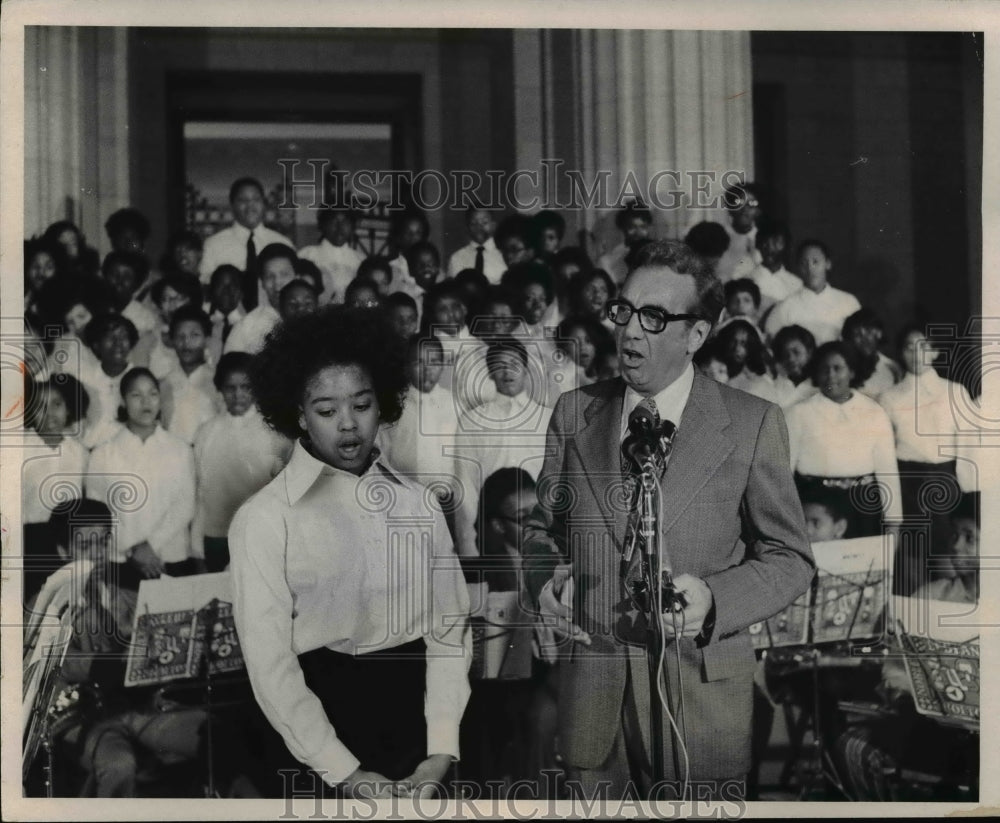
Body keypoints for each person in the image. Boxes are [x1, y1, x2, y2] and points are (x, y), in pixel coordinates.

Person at [521, 239, 814, 799]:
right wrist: (545, 581)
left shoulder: (753, 424)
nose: (630, 331)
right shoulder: (573, 413)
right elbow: (542, 533)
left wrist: (714, 600)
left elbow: (789, 559)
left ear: (696, 336)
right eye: (624, 311)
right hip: (592, 704)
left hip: (702, 706)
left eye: (654, 317)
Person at [228, 306, 471, 798]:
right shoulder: (264, 519)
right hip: (317, 741)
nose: (348, 425)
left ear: (381, 403)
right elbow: (271, 665)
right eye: (326, 410)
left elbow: (448, 633)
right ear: (297, 414)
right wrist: (346, 774)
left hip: (418, 733)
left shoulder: (420, 505)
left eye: (361, 405)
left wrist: (440, 751)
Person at [879, 324, 978, 593]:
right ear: (900, 353)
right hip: (906, 484)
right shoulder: (888, 398)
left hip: (948, 483)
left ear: (934, 352)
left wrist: (969, 493)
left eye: (922, 347)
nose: (915, 354)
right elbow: (884, 451)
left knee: (948, 557)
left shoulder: (955, 392)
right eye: (908, 348)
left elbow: (969, 447)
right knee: (911, 562)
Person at [85, 367, 197, 576]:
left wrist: (151, 546)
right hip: (121, 560)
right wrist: (130, 551)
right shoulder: (103, 454)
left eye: (152, 394)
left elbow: (185, 504)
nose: (146, 402)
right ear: (123, 401)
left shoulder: (180, 449)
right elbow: (97, 511)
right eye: (136, 395)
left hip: (171, 557)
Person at [784, 341, 902, 537]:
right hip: (813, 510)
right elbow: (783, 473)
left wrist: (894, 523)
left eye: (838, 368)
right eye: (824, 369)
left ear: (852, 372)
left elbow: (888, 473)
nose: (830, 375)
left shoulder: (874, 412)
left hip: (864, 509)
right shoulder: (797, 413)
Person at [453, 337, 554, 559]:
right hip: (493, 526)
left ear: (527, 369)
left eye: (515, 364)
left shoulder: (547, 418)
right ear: (489, 372)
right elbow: (465, 484)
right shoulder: (472, 420)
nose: (508, 372)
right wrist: (468, 543)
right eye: (499, 366)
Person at [191, 352, 291, 572]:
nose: (238, 395)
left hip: (260, 536)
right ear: (220, 389)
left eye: (246, 388)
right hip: (216, 538)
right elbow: (201, 493)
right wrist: (197, 547)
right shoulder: (206, 433)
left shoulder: (273, 433)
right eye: (230, 388)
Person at [21, 374, 91, 601]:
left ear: (69, 409)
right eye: (41, 406)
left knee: (67, 604)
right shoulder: (18, 449)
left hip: (68, 543)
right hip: (28, 542)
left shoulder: (79, 452)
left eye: (57, 404)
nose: (50, 413)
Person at [198, 177, 294, 309]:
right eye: (243, 200)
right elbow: (206, 289)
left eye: (256, 199)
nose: (250, 206)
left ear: (263, 204)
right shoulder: (213, 245)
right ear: (232, 205)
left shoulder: (282, 243)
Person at [764, 240, 862, 345]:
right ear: (798, 267)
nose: (810, 268)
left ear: (828, 264)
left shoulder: (848, 302)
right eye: (804, 263)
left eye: (815, 262)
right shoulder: (785, 308)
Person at [159, 305, 219, 445]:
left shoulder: (216, 381)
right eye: (180, 336)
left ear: (207, 339)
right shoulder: (163, 385)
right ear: (172, 341)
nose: (186, 343)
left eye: (194, 335)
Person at [79, 314, 141, 449]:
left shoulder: (141, 380)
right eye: (110, 337)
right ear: (96, 344)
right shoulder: (84, 381)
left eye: (123, 336)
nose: (118, 342)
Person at [223, 244, 297, 355]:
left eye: (284, 274)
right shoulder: (246, 327)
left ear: (296, 276)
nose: (277, 284)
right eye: (270, 277)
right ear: (262, 283)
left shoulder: (313, 319)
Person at [297, 207, 363, 304]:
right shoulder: (307, 254)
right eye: (333, 221)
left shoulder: (360, 260)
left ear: (352, 227)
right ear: (323, 225)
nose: (340, 227)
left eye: (345, 222)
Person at [714, 318, 778, 403]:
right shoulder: (713, 368)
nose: (737, 348)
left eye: (743, 343)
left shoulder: (759, 381)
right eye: (733, 341)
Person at [842, 309, 902, 399]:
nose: (864, 339)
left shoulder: (892, 367)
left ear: (879, 333)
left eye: (869, 332)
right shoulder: (845, 367)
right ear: (850, 339)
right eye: (857, 334)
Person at [749, 219, 801, 318]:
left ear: (787, 246)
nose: (770, 248)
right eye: (765, 241)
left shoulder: (797, 284)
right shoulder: (748, 280)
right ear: (758, 245)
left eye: (776, 242)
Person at [714, 183, 764, 283]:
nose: (745, 209)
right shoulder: (718, 237)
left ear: (758, 211)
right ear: (730, 208)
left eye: (751, 204)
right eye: (739, 202)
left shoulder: (764, 238)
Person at [599, 201, 653, 285]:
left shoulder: (656, 254)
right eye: (632, 227)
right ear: (622, 228)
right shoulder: (607, 261)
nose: (638, 232)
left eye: (643, 227)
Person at [447, 205, 505, 283]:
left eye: (484, 222)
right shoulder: (456, 258)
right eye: (474, 223)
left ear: (493, 225)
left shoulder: (503, 254)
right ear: (467, 227)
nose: (479, 227)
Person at [770, 324, 818, 409]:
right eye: (785, 355)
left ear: (809, 352)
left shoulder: (819, 386)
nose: (791, 359)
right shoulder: (777, 384)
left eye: (796, 352)